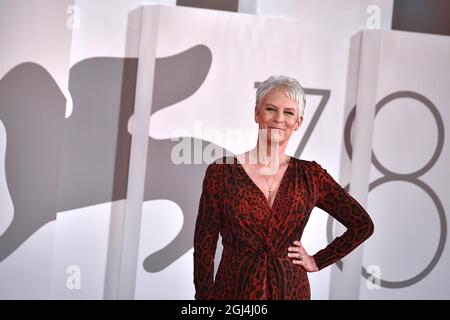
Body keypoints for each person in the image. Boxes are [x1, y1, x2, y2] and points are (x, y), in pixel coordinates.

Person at [193, 75, 374, 300]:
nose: (279, 118)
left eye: (289, 112)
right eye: (270, 109)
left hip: (291, 291)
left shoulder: (311, 176)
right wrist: (203, 300)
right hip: (234, 291)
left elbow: (362, 225)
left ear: (298, 122)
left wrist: (317, 261)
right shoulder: (221, 173)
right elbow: (204, 246)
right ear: (257, 113)